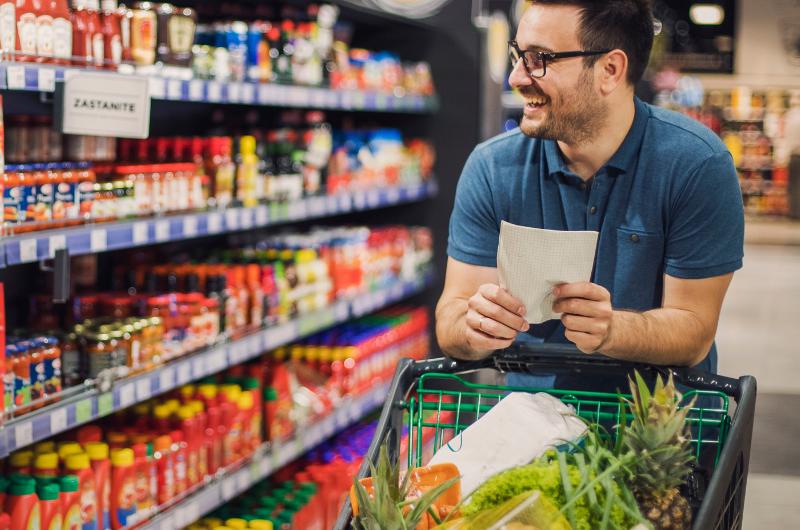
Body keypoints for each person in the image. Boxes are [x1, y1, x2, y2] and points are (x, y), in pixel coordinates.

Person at [436, 0, 744, 375]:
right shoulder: (492, 167)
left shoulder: (696, 165)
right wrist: (473, 325)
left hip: (658, 422)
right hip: (529, 420)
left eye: (539, 59)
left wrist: (613, 329)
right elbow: (451, 319)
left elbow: (694, 330)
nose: (516, 77)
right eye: (518, 55)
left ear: (609, 70)